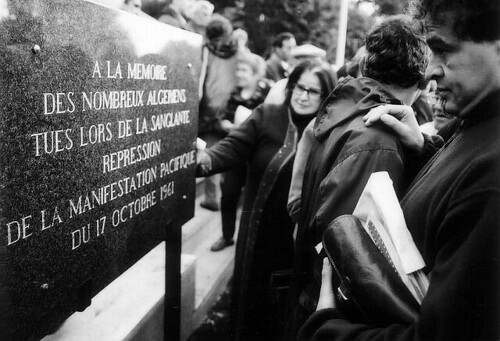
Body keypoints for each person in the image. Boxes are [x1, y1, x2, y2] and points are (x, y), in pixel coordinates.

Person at [298, 0, 500, 339]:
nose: (430, 72)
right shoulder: (475, 123)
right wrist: (424, 150)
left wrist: (328, 327)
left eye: (443, 50)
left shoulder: (491, 177)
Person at [286, 15, 430, 338]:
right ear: (422, 79)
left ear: (367, 63)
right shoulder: (377, 141)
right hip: (334, 314)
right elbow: (349, 248)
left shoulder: (347, 108)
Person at [197, 60, 337, 340]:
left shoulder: (331, 130)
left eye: (313, 91)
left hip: (297, 240)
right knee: (251, 301)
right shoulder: (267, 115)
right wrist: (204, 160)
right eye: (299, 87)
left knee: (285, 308)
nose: (303, 95)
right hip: (258, 233)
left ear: (326, 96)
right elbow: (233, 146)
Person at [210, 51, 272, 252]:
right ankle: (227, 236)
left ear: (255, 73)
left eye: (244, 69)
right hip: (236, 154)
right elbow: (220, 119)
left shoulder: (266, 93)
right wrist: (225, 125)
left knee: (253, 200)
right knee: (228, 195)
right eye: (238, 69)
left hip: (258, 155)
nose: (239, 73)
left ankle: (250, 241)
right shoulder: (234, 93)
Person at [198, 14, 239, 211]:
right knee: (220, 153)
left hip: (207, 112)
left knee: (206, 154)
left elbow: (202, 84)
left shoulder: (205, 51)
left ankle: (212, 198)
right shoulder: (237, 52)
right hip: (228, 111)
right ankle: (217, 197)